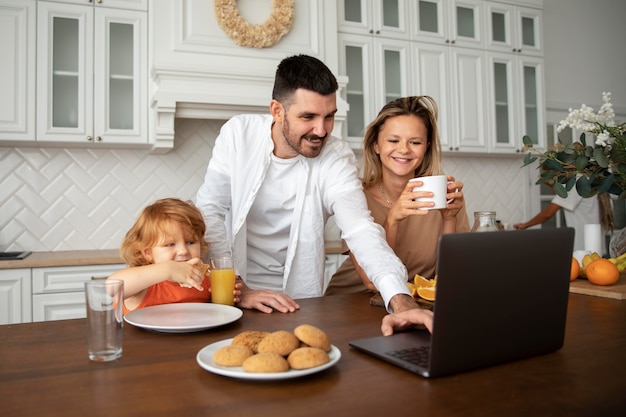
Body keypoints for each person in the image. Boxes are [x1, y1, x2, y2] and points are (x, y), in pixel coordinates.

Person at [195, 54, 418, 322]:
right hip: (234, 297)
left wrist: (401, 300)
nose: (321, 131)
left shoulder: (336, 156)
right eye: (308, 117)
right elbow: (210, 210)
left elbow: (360, 229)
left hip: (301, 302)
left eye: (329, 117)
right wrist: (237, 288)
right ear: (277, 111)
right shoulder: (238, 135)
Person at [325, 96, 470, 295]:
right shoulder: (356, 196)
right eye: (393, 140)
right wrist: (392, 219)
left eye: (415, 142)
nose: (403, 149)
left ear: (426, 147)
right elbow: (371, 280)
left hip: (411, 305)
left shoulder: (443, 197)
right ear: (376, 145)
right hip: (351, 302)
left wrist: (449, 219)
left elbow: (450, 278)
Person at [108, 198, 241, 314]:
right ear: (148, 253)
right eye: (170, 244)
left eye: (191, 242)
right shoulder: (144, 285)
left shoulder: (206, 280)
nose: (183, 251)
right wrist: (168, 270)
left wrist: (234, 296)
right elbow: (112, 287)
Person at [513, 189, 613, 254]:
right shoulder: (589, 182)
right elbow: (563, 199)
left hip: (582, 252)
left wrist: (525, 225)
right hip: (596, 248)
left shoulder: (575, 183)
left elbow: (548, 213)